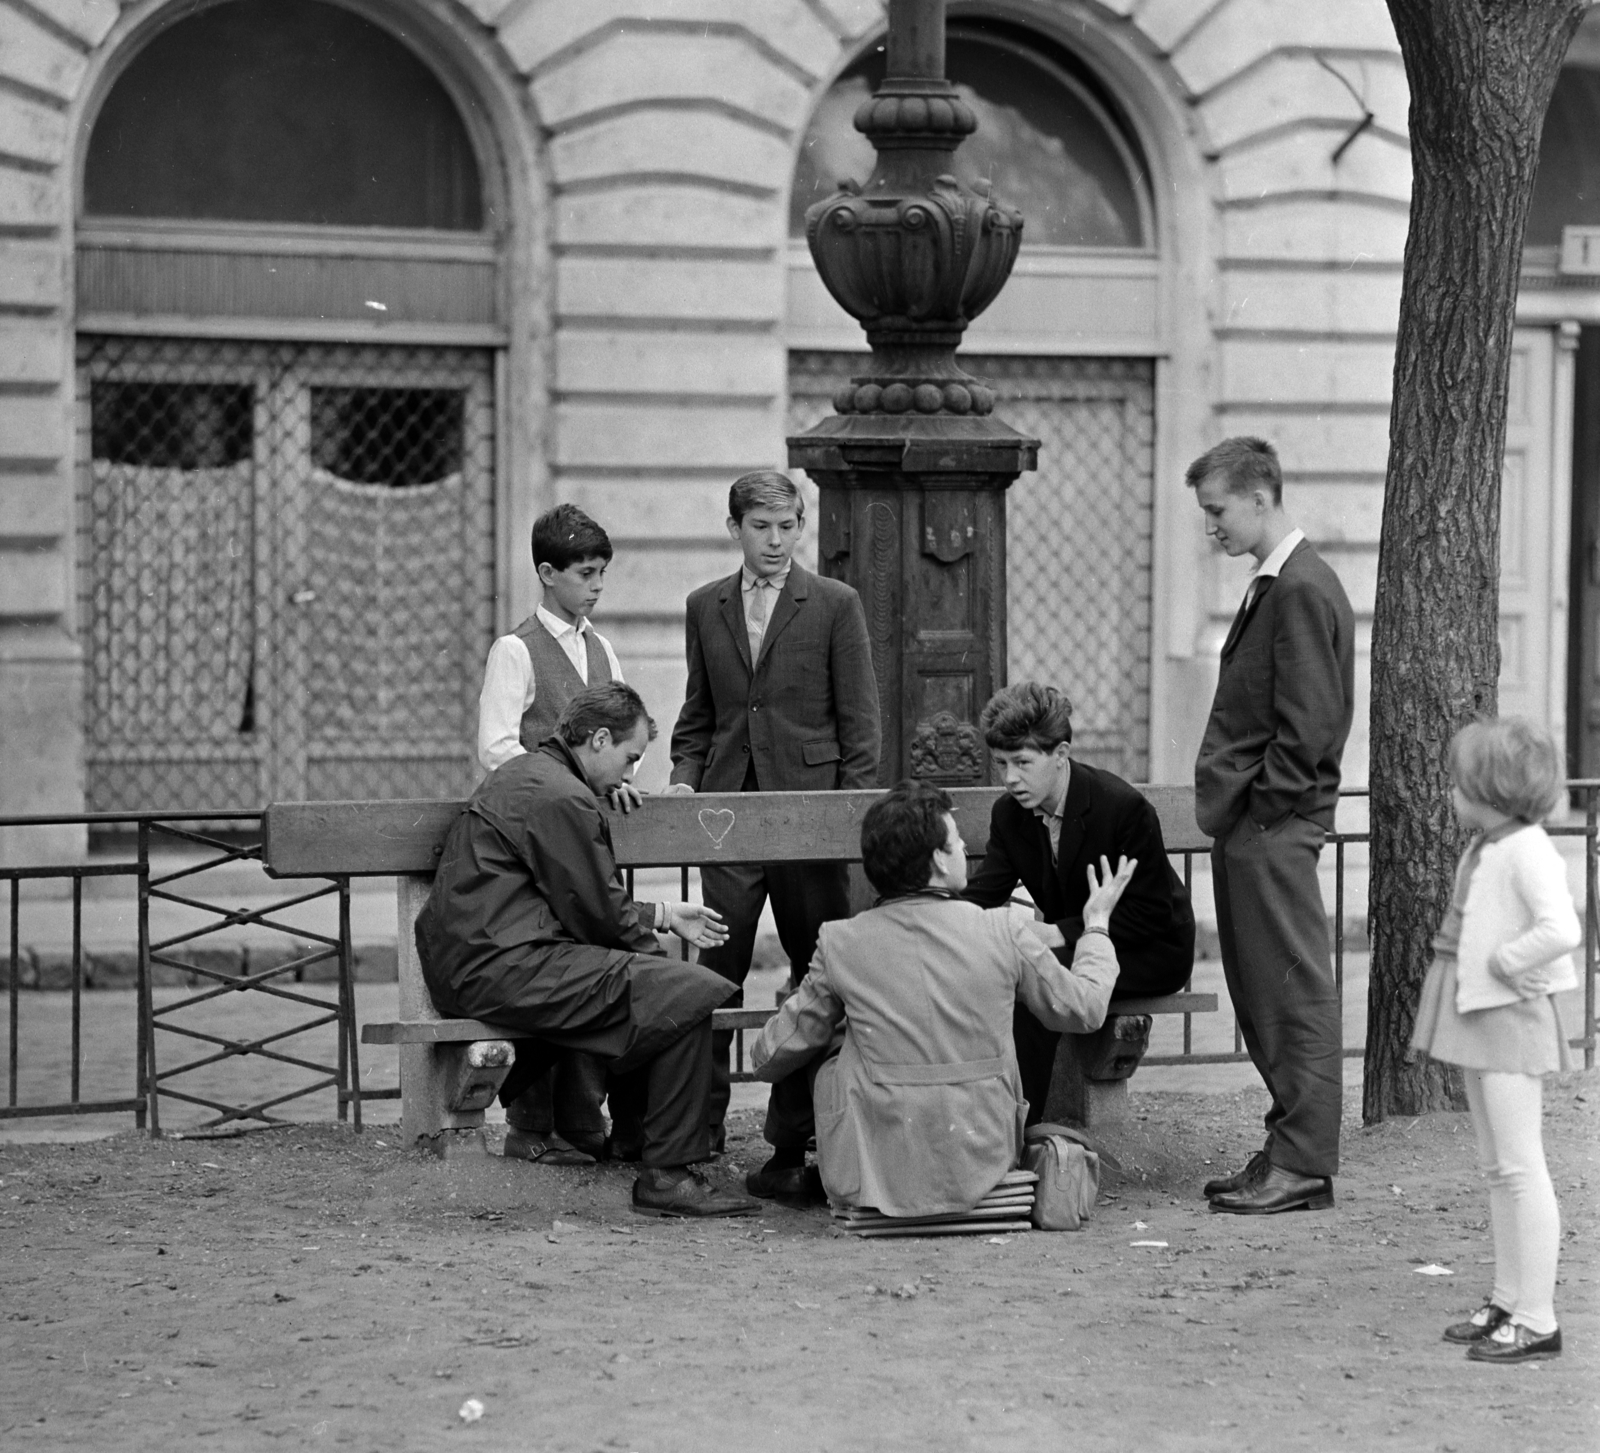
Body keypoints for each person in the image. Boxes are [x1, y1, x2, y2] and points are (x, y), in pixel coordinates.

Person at [416, 682, 759, 1218]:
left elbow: (583, 903)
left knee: (669, 990)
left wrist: (662, 920)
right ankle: (666, 1174)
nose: (629, 776)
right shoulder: (563, 796)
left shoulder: (530, 775)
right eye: (630, 758)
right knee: (687, 993)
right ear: (599, 739)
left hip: (481, 961)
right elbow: (602, 918)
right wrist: (662, 964)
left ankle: (645, 1147)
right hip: (498, 966)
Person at [750, 780, 1135, 1217]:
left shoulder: (841, 942)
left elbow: (773, 1054)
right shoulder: (1003, 930)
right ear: (936, 860)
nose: (965, 846)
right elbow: (1084, 1009)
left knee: (831, 1041)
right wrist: (1097, 927)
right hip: (985, 1158)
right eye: (956, 841)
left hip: (876, 1175)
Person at [663, 469, 880, 1204]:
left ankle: (799, 1142)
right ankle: (696, 1139)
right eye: (763, 527)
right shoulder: (705, 606)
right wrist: (686, 782)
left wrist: (844, 825)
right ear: (735, 529)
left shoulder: (834, 605)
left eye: (789, 526)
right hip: (728, 823)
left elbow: (861, 731)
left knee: (818, 975)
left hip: (811, 825)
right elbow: (700, 716)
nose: (778, 541)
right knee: (711, 979)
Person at [1189, 436, 1354, 1215]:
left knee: (1292, 992)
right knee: (1263, 992)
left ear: (1260, 498)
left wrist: (1264, 812)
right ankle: (1287, 1148)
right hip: (1259, 823)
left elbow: (1311, 726)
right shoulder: (1279, 583)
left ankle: (1304, 1162)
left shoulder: (1298, 587)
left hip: (1273, 826)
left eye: (1218, 510)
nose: (1212, 527)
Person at [1411, 718, 1578, 1364]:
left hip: (1508, 1013)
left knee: (1519, 1164)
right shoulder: (1493, 843)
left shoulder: (1526, 848)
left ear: (1494, 790)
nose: (1451, 793)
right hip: (1482, 1009)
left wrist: (1508, 962)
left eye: (1461, 784)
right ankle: (1510, 1298)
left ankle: (1537, 1315)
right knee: (1497, 1165)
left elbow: (1560, 926)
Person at [964, 682, 1195, 1124]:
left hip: (1148, 949)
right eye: (1001, 764)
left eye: (1022, 763)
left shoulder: (1121, 807)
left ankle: (1018, 1133)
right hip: (1077, 946)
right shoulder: (1009, 815)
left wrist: (1057, 932)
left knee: (1034, 985)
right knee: (1005, 974)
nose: (1010, 778)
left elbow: (1150, 914)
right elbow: (982, 896)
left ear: (1061, 754)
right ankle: (989, 1125)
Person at [475, 504, 628, 1165]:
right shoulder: (516, 649)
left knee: (593, 964)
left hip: (589, 833)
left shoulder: (602, 648)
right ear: (547, 573)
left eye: (602, 574)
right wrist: (562, 781)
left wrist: (623, 772)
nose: (595, 586)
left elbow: (624, 731)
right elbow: (496, 745)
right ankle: (530, 1120)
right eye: (585, 574)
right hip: (534, 839)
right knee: (546, 972)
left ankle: (581, 1115)